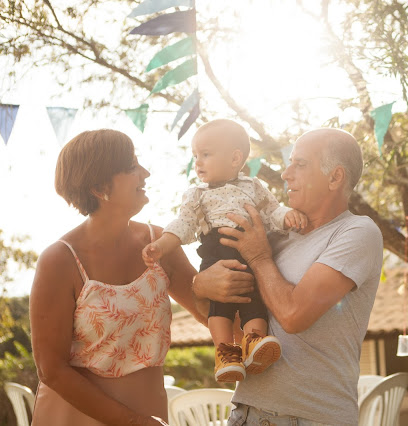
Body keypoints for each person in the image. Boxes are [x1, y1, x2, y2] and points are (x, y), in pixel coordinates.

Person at [29, 129, 252, 426]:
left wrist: (265, 340)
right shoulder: (59, 260)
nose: (145, 174)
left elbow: (206, 311)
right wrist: (132, 422)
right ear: (99, 186)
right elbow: (51, 370)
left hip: (150, 412)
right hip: (75, 417)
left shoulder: (159, 242)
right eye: (132, 166)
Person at [193, 128, 384, 426]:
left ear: (335, 177)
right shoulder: (272, 236)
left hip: (312, 418)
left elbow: (293, 316)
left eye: (300, 164)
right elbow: (226, 314)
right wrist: (200, 284)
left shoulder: (357, 232)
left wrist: (258, 257)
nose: (285, 174)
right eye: (289, 162)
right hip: (244, 412)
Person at [141, 119, 308, 383]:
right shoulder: (197, 194)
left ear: (235, 158)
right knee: (220, 304)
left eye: (205, 155)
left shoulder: (253, 187)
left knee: (255, 301)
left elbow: (272, 210)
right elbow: (183, 224)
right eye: (196, 156)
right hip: (217, 255)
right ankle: (224, 351)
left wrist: (288, 216)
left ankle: (254, 343)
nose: (198, 162)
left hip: (251, 257)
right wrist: (161, 245)